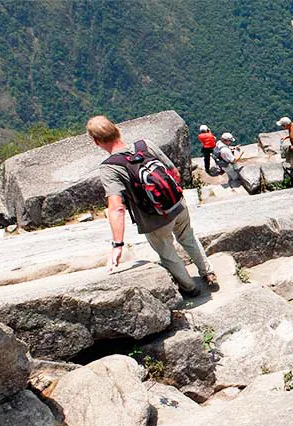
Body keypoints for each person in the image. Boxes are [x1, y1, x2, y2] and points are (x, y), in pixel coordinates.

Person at [88, 115, 217, 298]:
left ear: (96, 141)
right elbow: (173, 172)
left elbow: (117, 207)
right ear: (117, 129)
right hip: (178, 204)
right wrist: (172, 196)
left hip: (154, 218)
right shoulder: (145, 145)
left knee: (167, 253)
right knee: (188, 237)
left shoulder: (110, 168)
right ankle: (208, 272)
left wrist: (118, 245)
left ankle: (190, 288)